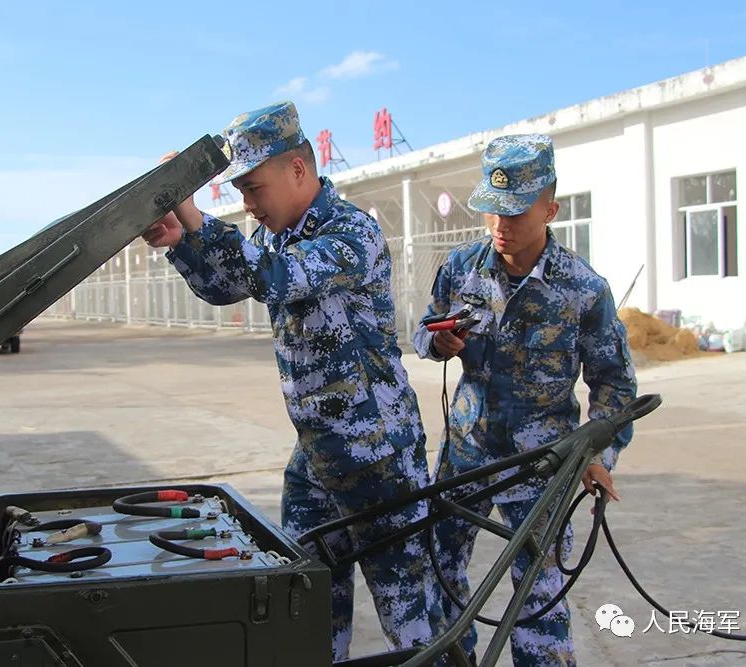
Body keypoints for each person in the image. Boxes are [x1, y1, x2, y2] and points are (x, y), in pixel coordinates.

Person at [143, 101, 442, 660]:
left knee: (410, 615)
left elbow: (272, 276)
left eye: (253, 189)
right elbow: (227, 286)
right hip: (316, 458)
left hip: (376, 458)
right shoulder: (281, 234)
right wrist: (181, 241)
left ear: (298, 170)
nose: (248, 205)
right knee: (305, 602)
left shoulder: (351, 233)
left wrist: (195, 214)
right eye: (241, 193)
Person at [413, 134, 638, 666]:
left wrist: (599, 456)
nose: (500, 227)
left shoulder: (583, 289)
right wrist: (438, 341)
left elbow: (615, 384)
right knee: (439, 571)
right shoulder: (463, 267)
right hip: (466, 453)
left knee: (538, 595)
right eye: (492, 212)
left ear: (550, 209)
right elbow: (425, 331)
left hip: (545, 465)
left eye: (514, 214)